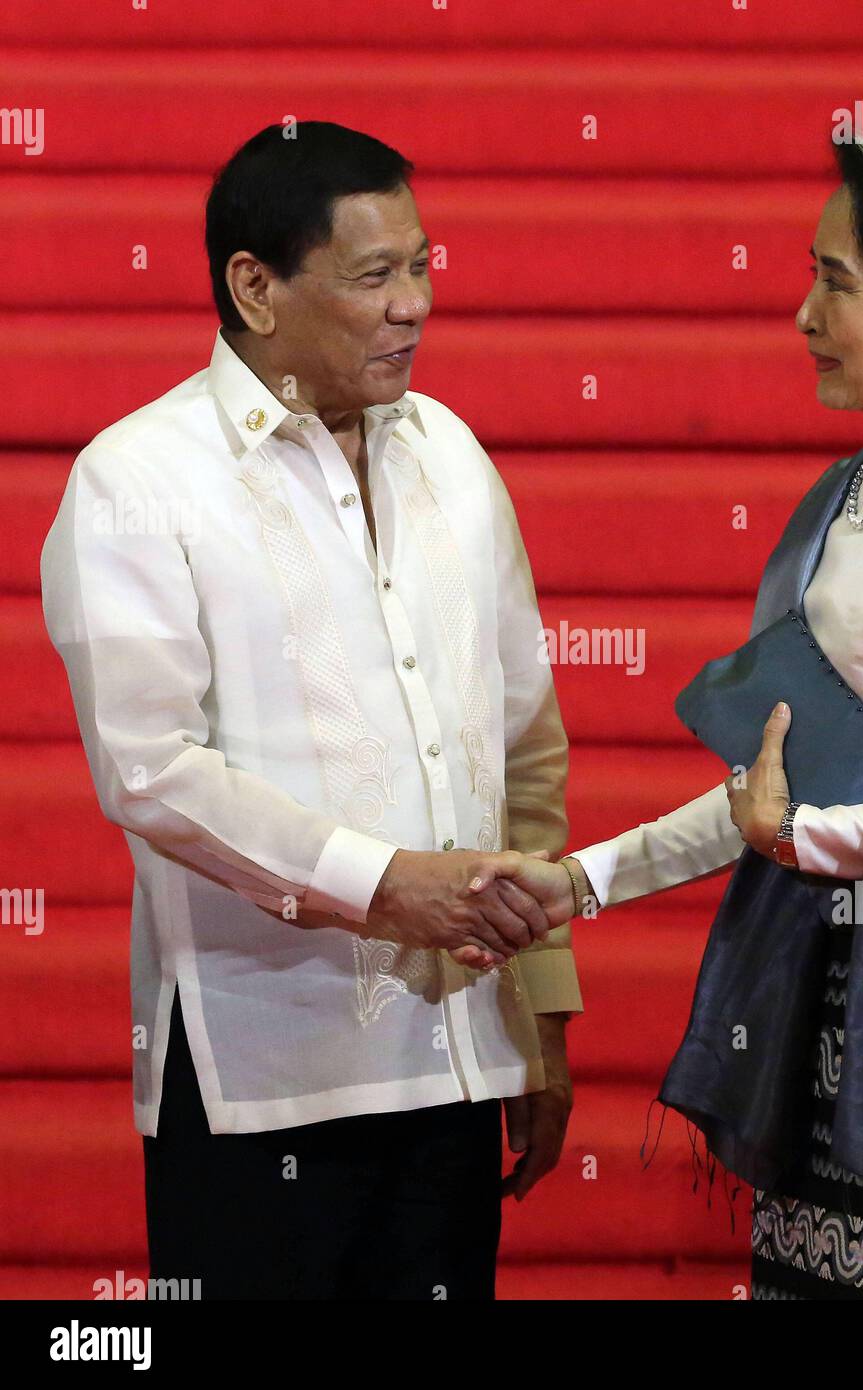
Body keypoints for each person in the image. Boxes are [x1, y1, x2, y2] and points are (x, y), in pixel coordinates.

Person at [465, 130, 863, 1300]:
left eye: (836, 281)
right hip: (828, 980)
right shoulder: (845, 499)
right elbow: (791, 779)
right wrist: (585, 880)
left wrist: (804, 839)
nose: (804, 315)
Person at [40, 121, 582, 1301]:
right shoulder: (138, 479)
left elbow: (524, 748)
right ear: (256, 286)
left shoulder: (453, 455)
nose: (415, 307)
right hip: (266, 1083)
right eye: (376, 275)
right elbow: (149, 770)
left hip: (456, 1074)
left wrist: (541, 1013)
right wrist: (387, 882)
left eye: (425, 266)